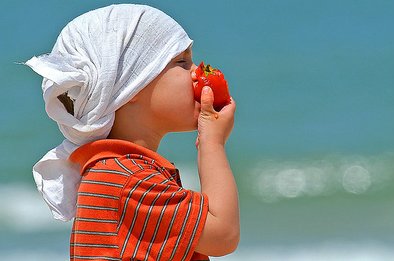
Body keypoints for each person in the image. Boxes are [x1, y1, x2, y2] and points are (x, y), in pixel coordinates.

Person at [26, 4, 239, 261]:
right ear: (133, 86)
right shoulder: (128, 179)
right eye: (182, 62)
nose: (197, 73)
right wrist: (212, 143)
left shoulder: (116, 171)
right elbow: (223, 235)